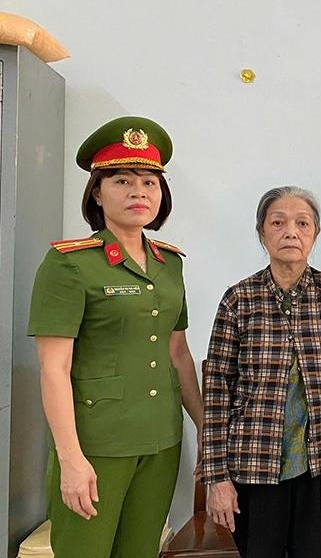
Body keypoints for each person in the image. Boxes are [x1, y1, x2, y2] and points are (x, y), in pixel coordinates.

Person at [28, 116, 203, 558]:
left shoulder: (169, 264)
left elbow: (178, 353)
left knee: (141, 551)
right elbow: (54, 368)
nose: (138, 192)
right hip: (96, 444)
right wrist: (70, 458)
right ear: (97, 192)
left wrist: (206, 429)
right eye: (122, 180)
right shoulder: (69, 264)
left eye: (149, 182)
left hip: (160, 440)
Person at [202, 186, 321, 558]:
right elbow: (216, 391)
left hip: (318, 468)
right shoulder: (239, 299)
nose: (291, 232)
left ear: (315, 233)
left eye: (302, 223)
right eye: (278, 222)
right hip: (252, 465)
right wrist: (217, 478)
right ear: (262, 232)